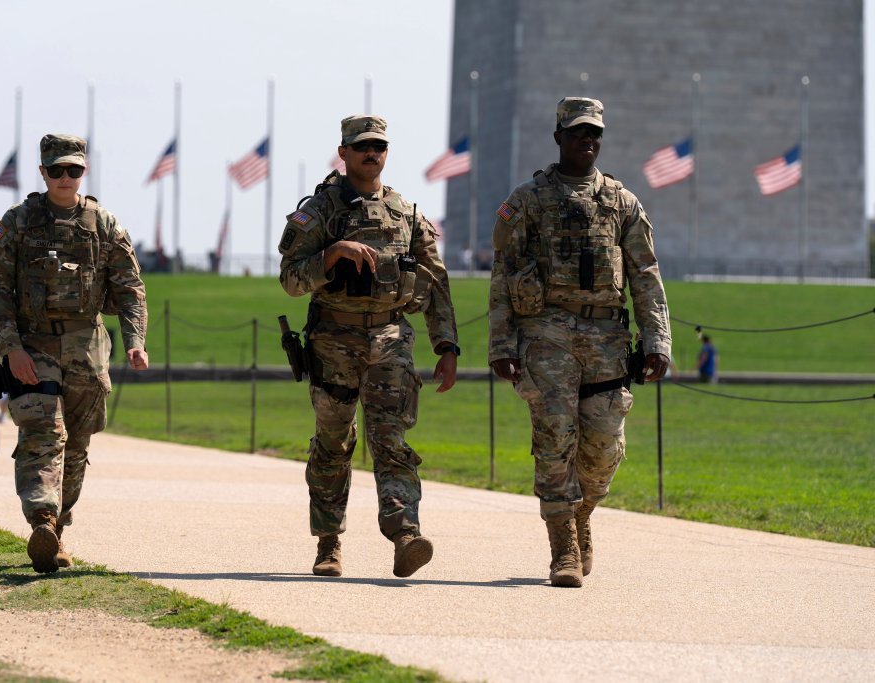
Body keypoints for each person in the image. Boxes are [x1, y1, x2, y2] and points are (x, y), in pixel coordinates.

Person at [488, 97, 671, 588]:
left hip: (607, 336)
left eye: (594, 135)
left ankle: (582, 511)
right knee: (554, 437)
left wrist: (657, 340)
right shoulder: (527, 199)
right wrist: (501, 345)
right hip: (545, 334)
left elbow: (646, 275)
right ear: (558, 138)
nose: (587, 141)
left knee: (604, 446)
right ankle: (562, 545)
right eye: (577, 134)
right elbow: (504, 274)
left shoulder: (621, 201)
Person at [279, 115, 459, 578]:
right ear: (344, 153)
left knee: (391, 440)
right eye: (361, 146)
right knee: (333, 445)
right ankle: (328, 542)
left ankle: (405, 534)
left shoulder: (406, 213)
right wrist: (331, 255)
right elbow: (291, 280)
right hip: (333, 341)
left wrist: (447, 347)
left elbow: (435, 283)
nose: (370, 153)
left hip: (389, 339)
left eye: (378, 146)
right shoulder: (318, 212)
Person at [0, 133, 149, 574]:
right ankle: (41, 516)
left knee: (76, 445)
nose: (64, 177)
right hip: (33, 345)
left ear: (83, 172)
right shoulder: (17, 223)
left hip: (86, 345)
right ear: (42, 172)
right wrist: (12, 348)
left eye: (72, 170)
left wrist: (135, 340)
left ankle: (57, 529)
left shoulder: (105, 224)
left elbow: (130, 288)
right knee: (43, 431)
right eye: (56, 169)